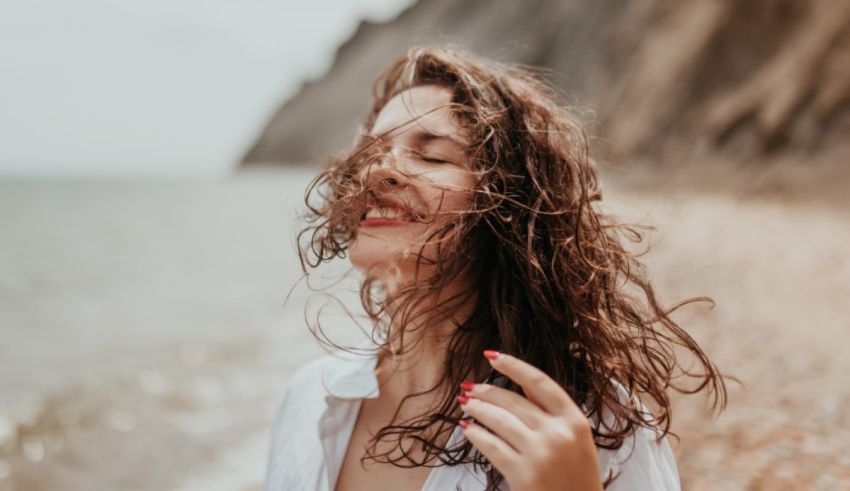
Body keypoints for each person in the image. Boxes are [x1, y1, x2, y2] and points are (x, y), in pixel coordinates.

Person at [265, 46, 726, 490]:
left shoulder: (589, 425)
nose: (373, 173)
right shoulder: (310, 398)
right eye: (369, 155)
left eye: (432, 155)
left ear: (511, 207)